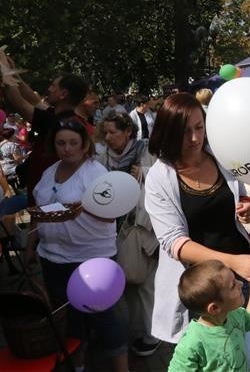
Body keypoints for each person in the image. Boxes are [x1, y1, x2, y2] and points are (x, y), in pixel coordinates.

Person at [144, 93, 250, 349]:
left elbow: (238, 195)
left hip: (236, 283)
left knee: (248, 357)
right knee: (212, 360)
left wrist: (246, 206)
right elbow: (174, 243)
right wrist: (233, 262)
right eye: (185, 131)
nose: (195, 138)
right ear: (168, 132)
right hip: (201, 290)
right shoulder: (159, 177)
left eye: (199, 127)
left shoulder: (221, 157)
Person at [26, 118, 128, 371]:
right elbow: (38, 212)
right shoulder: (50, 172)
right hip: (53, 258)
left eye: (73, 142)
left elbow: (112, 213)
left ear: (85, 145)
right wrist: (30, 245)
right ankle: (78, 365)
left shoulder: (95, 173)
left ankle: (122, 369)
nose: (67, 148)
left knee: (103, 318)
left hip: (91, 260)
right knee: (68, 320)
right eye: (61, 143)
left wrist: (82, 209)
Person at [95, 110, 160, 357]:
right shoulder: (104, 159)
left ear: (128, 132)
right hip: (115, 229)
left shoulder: (146, 151)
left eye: (114, 132)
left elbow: (161, 183)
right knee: (130, 282)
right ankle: (142, 328)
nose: (109, 137)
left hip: (142, 228)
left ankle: (153, 333)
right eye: (106, 132)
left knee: (144, 283)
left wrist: (145, 174)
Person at [0, 68, 90, 202]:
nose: (49, 89)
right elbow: (35, 100)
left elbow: (19, 103)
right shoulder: (66, 119)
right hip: (52, 190)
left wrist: (2, 70)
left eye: (54, 86)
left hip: (45, 194)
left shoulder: (54, 122)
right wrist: (14, 73)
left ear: (63, 94)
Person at [168, 260, 250, 371]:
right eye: (233, 285)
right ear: (215, 308)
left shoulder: (236, 314)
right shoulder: (193, 342)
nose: (240, 284)